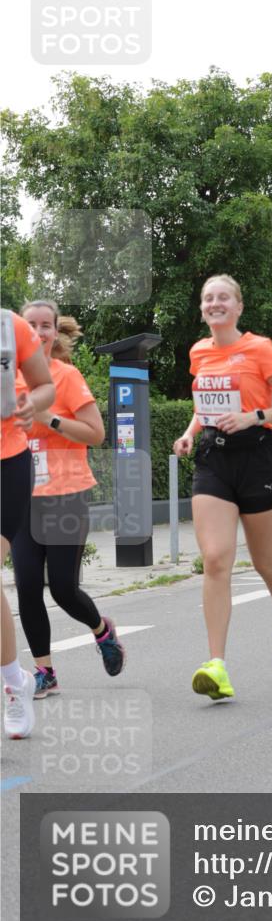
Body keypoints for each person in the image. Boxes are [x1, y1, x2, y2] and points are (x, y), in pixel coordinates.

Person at [173, 274, 272, 700]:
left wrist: (253, 416)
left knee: (266, 562)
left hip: (258, 457)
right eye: (208, 298)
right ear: (202, 307)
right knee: (215, 560)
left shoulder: (259, 348)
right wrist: (191, 431)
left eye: (223, 297)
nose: (215, 303)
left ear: (238, 306)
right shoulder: (198, 352)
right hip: (214, 459)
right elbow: (203, 404)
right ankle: (217, 665)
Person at [11, 301, 123, 699]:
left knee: (62, 589)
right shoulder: (9, 380)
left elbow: (96, 434)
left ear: (56, 333)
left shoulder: (66, 377)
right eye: (31, 325)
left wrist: (48, 420)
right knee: (26, 589)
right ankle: (45, 671)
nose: (40, 333)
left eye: (47, 326)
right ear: (18, 332)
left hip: (66, 495)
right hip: (21, 498)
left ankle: (102, 631)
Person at [1, 309, 54, 738]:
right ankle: (18, 677)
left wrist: (29, 406)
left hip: (7, 462)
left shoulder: (10, 326)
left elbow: (46, 386)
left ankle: (14, 687)